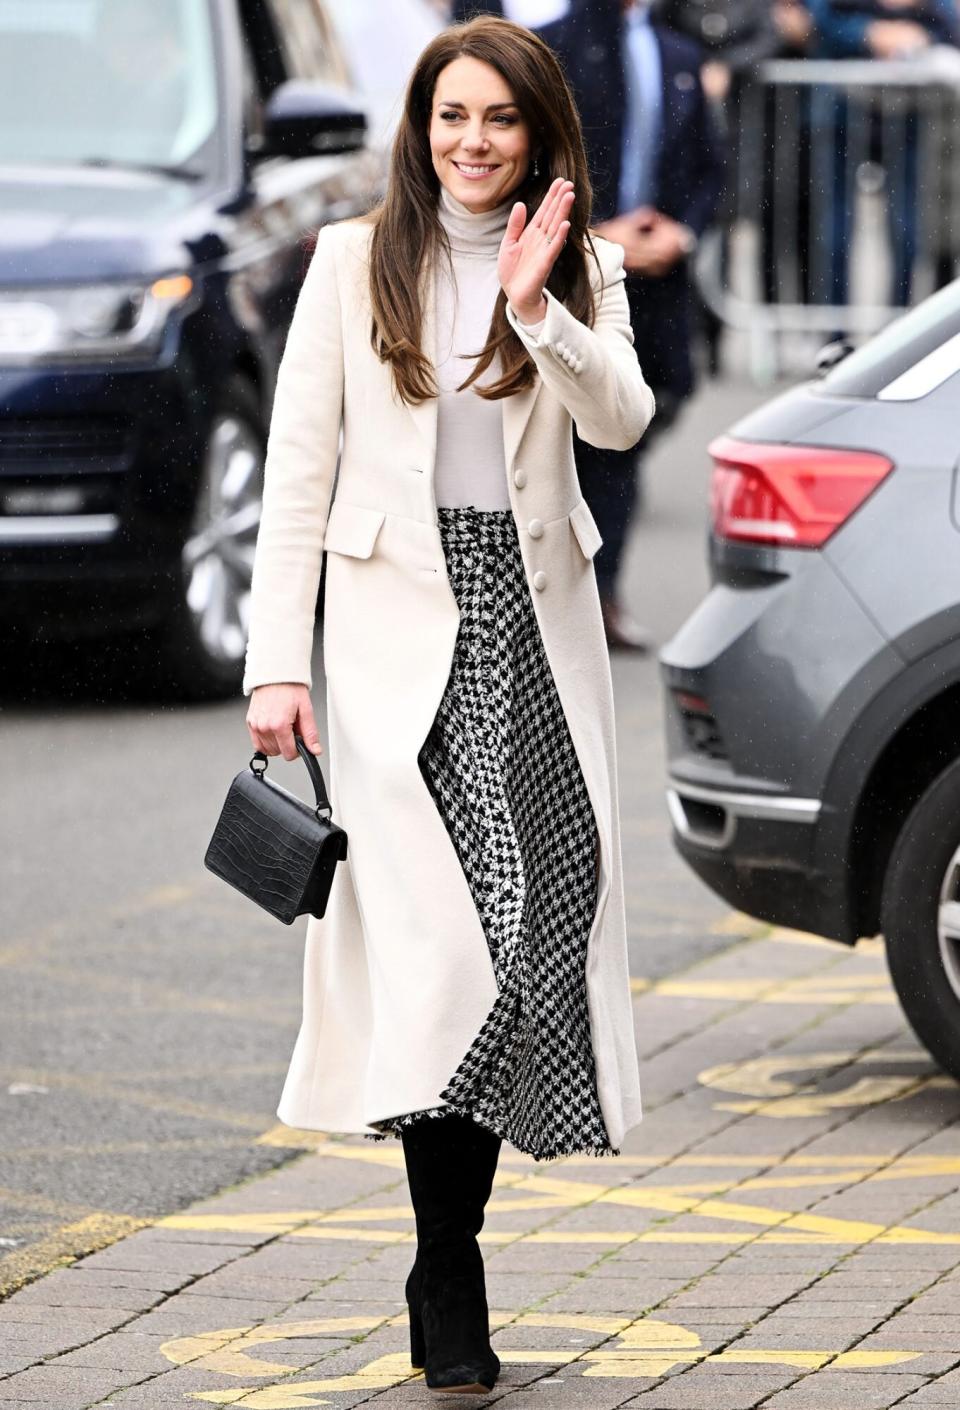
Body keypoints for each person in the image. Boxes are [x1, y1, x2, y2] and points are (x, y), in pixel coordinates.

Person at [243, 16, 654, 1395]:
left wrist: (541, 309)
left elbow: (623, 422)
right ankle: (448, 1260)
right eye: (450, 116)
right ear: (420, 128)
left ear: (540, 133)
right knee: (445, 959)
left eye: (500, 120)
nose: (472, 141)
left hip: (531, 633)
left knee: (538, 929)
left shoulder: (581, 266)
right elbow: (296, 475)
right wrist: (274, 665)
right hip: (388, 640)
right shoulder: (354, 263)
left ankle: (447, 1240)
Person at [456, 0, 724, 649]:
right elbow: (533, 164)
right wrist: (600, 234)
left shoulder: (679, 55)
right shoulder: (551, 48)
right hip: (565, 273)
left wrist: (677, 232)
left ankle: (600, 593)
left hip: (656, 281)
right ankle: (544, 602)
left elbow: (710, 166)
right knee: (554, 439)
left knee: (625, 434)